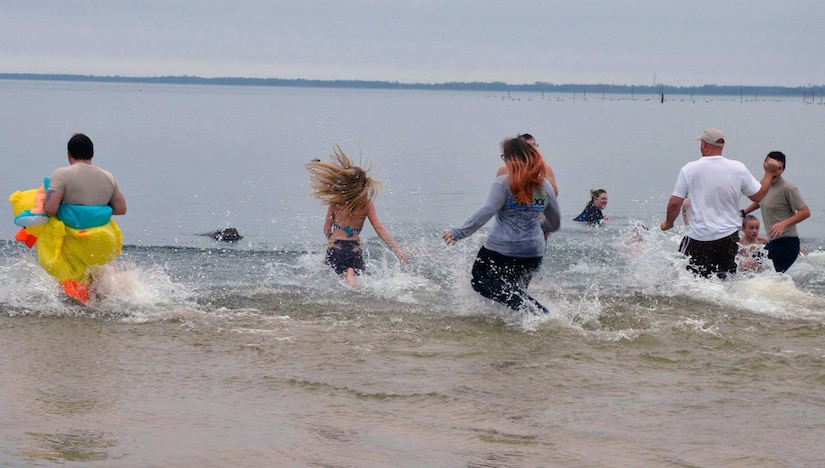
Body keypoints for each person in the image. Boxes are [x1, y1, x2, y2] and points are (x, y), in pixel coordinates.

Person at [443, 137, 560, 314]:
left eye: (504, 156)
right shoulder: (543, 184)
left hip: (501, 250)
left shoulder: (504, 183)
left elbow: (487, 211)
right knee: (516, 292)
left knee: (480, 282)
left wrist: (459, 232)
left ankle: (539, 313)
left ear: (511, 158)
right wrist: (540, 227)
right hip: (534, 252)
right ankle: (528, 320)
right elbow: (555, 220)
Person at [660, 128, 781, 279]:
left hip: (699, 237)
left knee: (683, 277)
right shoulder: (738, 168)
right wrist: (769, 174)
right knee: (725, 281)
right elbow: (758, 196)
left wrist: (668, 223)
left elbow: (675, 202)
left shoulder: (689, 169)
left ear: (703, 144)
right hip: (728, 238)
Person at [306, 146, 409, 286]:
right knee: (353, 273)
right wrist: (397, 250)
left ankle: (346, 283)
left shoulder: (335, 202)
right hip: (354, 247)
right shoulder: (366, 204)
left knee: (332, 277)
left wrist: (331, 238)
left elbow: (326, 229)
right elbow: (379, 229)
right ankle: (351, 278)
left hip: (336, 245)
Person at [741, 151, 810, 273]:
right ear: (765, 165)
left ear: (783, 170)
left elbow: (805, 212)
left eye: (779, 168)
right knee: (762, 275)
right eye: (772, 167)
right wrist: (744, 212)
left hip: (787, 243)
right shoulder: (764, 187)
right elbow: (761, 200)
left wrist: (783, 223)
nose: (775, 171)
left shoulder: (788, 188)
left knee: (747, 266)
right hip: (774, 242)